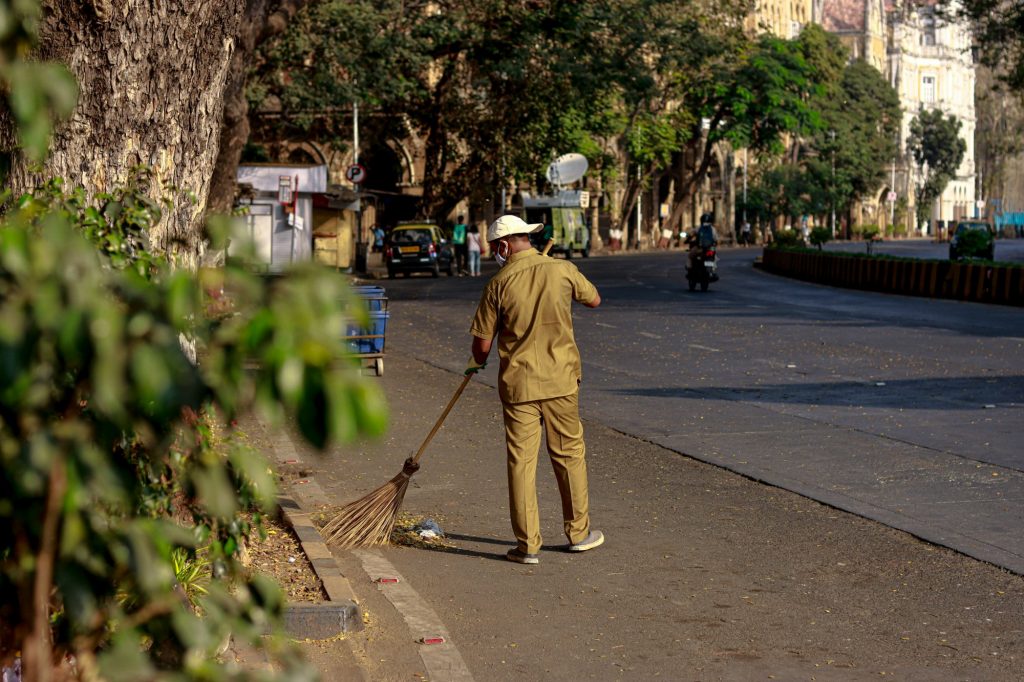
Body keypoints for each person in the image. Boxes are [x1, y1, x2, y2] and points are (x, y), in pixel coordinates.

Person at [467, 214, 604, 565]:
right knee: (569, 454)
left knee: (522, 462)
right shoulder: (561, 269)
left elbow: (481, 346)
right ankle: (579, 534)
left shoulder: (498, 284)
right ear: (525, 239)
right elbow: (594, 300)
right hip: (561, 380)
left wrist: (478, 361)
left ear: (502, 246)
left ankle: (527, 545)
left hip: (519, 385)